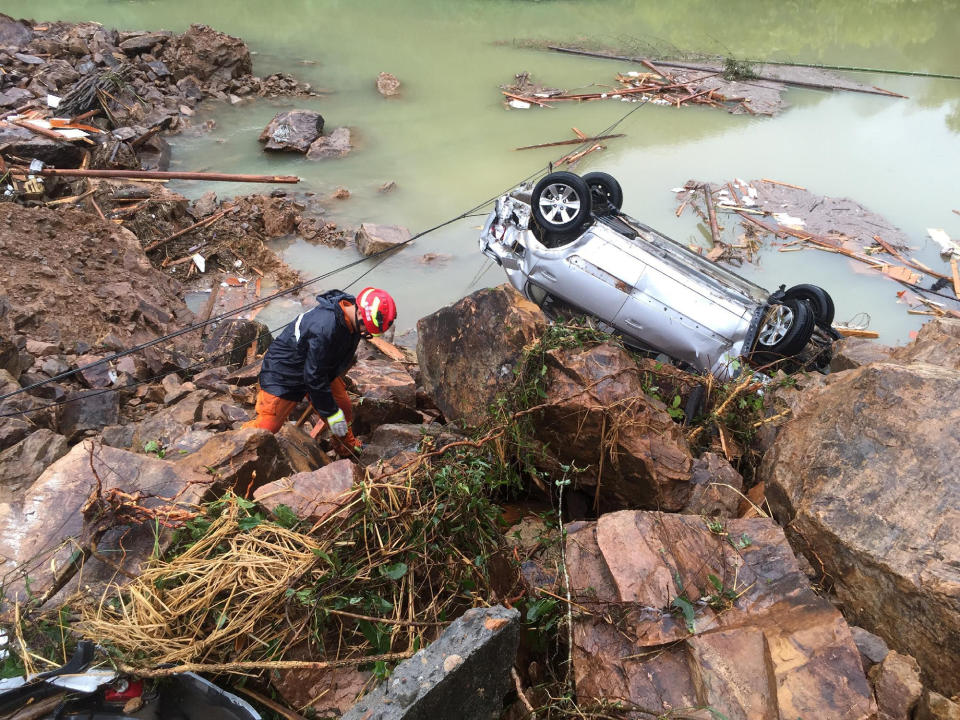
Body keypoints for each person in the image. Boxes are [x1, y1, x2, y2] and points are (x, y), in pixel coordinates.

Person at [244, 287, 397, 456]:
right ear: (359, 312)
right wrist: (331, 415)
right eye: (365, 328)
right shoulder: (324, 328)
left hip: (320, 367)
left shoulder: (351, 316)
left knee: (343, 408)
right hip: (285, 372)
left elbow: (318, 371)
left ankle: (347, 446)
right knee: (266, 429)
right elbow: (314, 379)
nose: (365, 333)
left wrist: (335, 412)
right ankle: (231, 449)